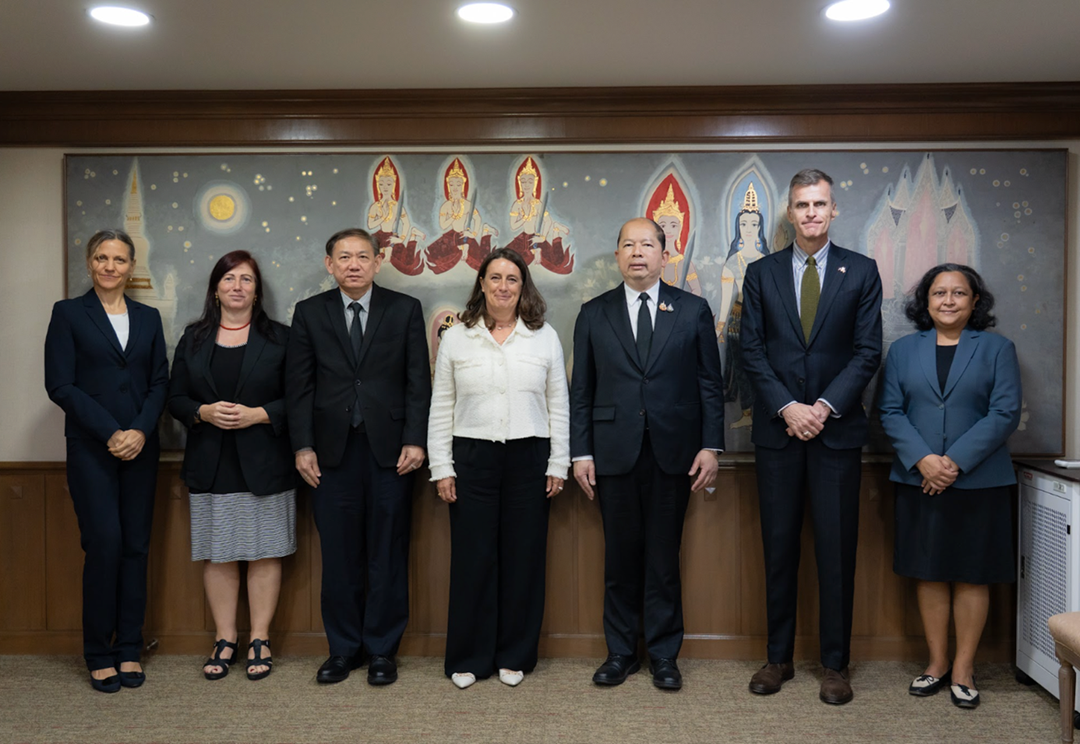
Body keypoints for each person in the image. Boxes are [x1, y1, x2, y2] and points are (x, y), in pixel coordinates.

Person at [740, 169, 882, 705]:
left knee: (836, 552)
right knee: (778, 549)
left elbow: (867, 352)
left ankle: (835, 665)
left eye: (820, 204)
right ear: (790, 212)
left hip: (835, 433)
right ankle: (777, 658)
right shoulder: (761, 273)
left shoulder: (861, 271)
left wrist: (821, 408)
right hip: (778, 434)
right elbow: (751, 350)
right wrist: (788, 407)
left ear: (833, 209)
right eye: (802, 205)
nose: (811, 213)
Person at [570, 217, 724, 690]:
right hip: (612, 453)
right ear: (618, 255)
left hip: (674, 452)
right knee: (619, 559)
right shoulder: (593, 313)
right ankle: (620, 652)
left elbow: (709, 384)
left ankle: (663, 655)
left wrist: (710, 445)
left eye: (647, 245)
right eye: (629, 245)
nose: (638, 253)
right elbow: (582, 391)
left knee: (663, 559)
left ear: (664, 254)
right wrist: (581, 453)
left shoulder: (693, 310)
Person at [286, 227, 431, 685]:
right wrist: (303, 445)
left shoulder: (404, 309)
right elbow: (298, 387)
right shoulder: (309, 313)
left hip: (392, 453)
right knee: (340, 555)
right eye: (344, 257)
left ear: (377, 262)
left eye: (363, 256)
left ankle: (383, 651)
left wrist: (416, 439)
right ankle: (343, 650)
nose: (353, 264)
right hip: (331, 455)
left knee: (387, 553)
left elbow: (418, 381)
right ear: (329, 264)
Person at [878, 264, 1021, 710]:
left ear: (975, 302)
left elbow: (1004, 412)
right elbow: (889, 411)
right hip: (918, 479)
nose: (949, 300)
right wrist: (923, 460)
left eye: (959, 293)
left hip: (980, 481)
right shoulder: (903, 351)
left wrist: (953, 462)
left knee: (973, 574)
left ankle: (964, 669)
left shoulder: (997, 349)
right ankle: (937, 663)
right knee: (931, 571)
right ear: (926, 302)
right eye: (939, 293)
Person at [428, 248, 569, 690]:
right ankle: (470, 657)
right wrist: (441, 466)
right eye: (495, 278)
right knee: (474, 560)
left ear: (523, 286)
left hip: (530, 457)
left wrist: (559, 462)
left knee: (523, 559)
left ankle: (515, 655)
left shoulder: (543, 336)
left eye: (512, 279)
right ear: (482, 284)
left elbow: (558, 404)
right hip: (472, 458)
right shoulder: (458, 337)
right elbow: (442, 405)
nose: (503, 286)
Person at [44, 228, 169, 692]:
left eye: (118, 259)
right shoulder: (68, 313)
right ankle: (98, 652)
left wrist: (139, 431)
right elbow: (60, 384)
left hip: (141, 447)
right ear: (89, 262)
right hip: (92, 448)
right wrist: (112, 432)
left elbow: (160, 381)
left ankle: (129, 648)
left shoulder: (149, 317)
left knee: (136, 547)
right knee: (104, 545)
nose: (109, 266)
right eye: (101, 257)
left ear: (131, 267)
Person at [168, 250, 295, 682]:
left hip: (265, 460)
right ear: (215, 289)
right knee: (218, 553)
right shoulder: (194, 338)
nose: (237, 286)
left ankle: (260, 637)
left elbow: (301, 396)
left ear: (257, 291)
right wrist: (202, 412)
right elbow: (175, 397)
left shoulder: (280, 338)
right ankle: (225, 639)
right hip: (211, 461)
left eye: (246, 279)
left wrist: (260, 414)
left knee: (264, 551)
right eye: (228, 279)